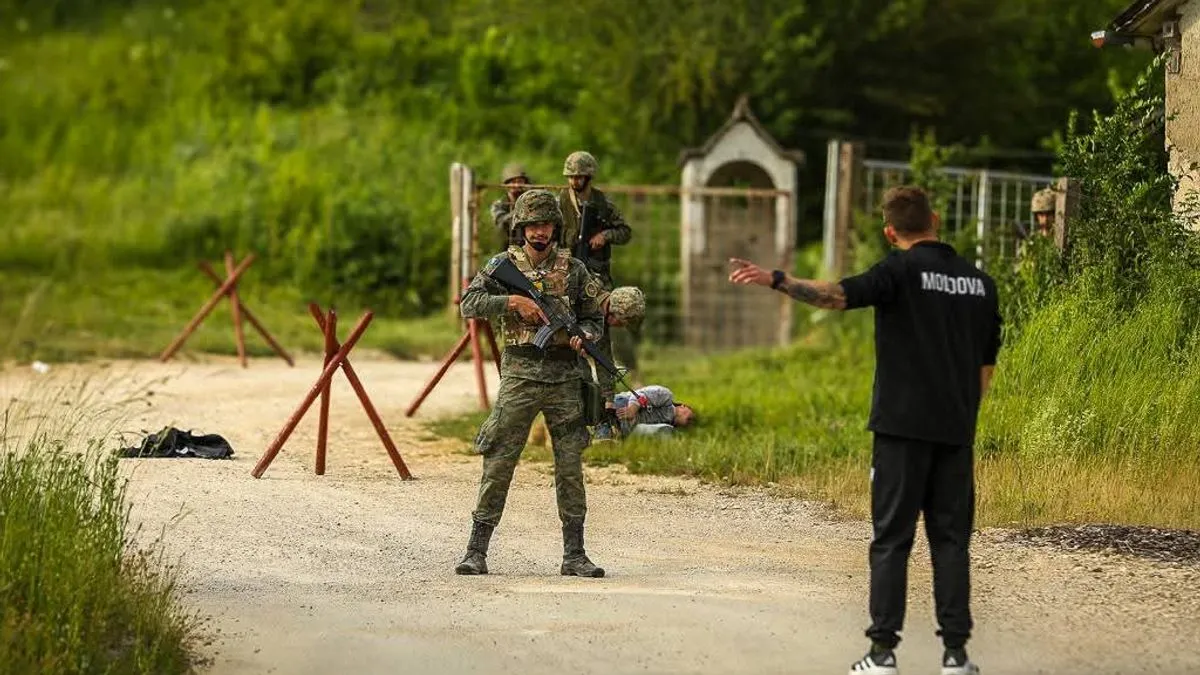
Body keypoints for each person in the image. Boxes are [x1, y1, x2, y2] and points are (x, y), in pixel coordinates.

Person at [728, 185, 1001, 675]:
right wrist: (963, 417)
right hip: (956, 431)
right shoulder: (981, 284)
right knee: (952, 539)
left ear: (889, 231)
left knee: (892, 540)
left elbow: (836, 296)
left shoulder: (897, 271)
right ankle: (957, 656)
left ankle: (882, 654)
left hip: (900, 430)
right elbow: (986, 368)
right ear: (936, 219)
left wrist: (776, 278)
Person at [456, 188, 608, 579]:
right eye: (533, 225)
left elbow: (594, 318)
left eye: (547, 225)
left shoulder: (574, 269)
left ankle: (574, 554)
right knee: (500, 460)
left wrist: (584, 336)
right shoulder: (504, 264)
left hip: (564, 378)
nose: (540, 233)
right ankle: (476, 550)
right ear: (522, 227)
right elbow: (468, 304)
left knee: (570, 466)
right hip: (521, 375)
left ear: (556, 228)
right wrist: (511, 303)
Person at [590, 285, 646, 441]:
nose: (622, 328)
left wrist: (609, 400)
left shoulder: (602, 322)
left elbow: (603, 360)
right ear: (613, 314)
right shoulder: (581, 298)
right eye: (622, 323)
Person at [612, 385, 696, 438]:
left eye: (691, 421)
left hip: (621, 428)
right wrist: (632, 409)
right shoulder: (666, 396)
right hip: (620, 405)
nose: (691, 419)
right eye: (690, 414)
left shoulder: (666, 427)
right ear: (683, 406)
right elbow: (640, 394)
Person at [490, 163, 533, 248]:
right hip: (506, 249)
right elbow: (501, 222)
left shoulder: (531, 200)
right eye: (513, 182)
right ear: (506, 184)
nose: (517, 185)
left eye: (520, 182)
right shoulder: (499, 204)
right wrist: (520, 210)